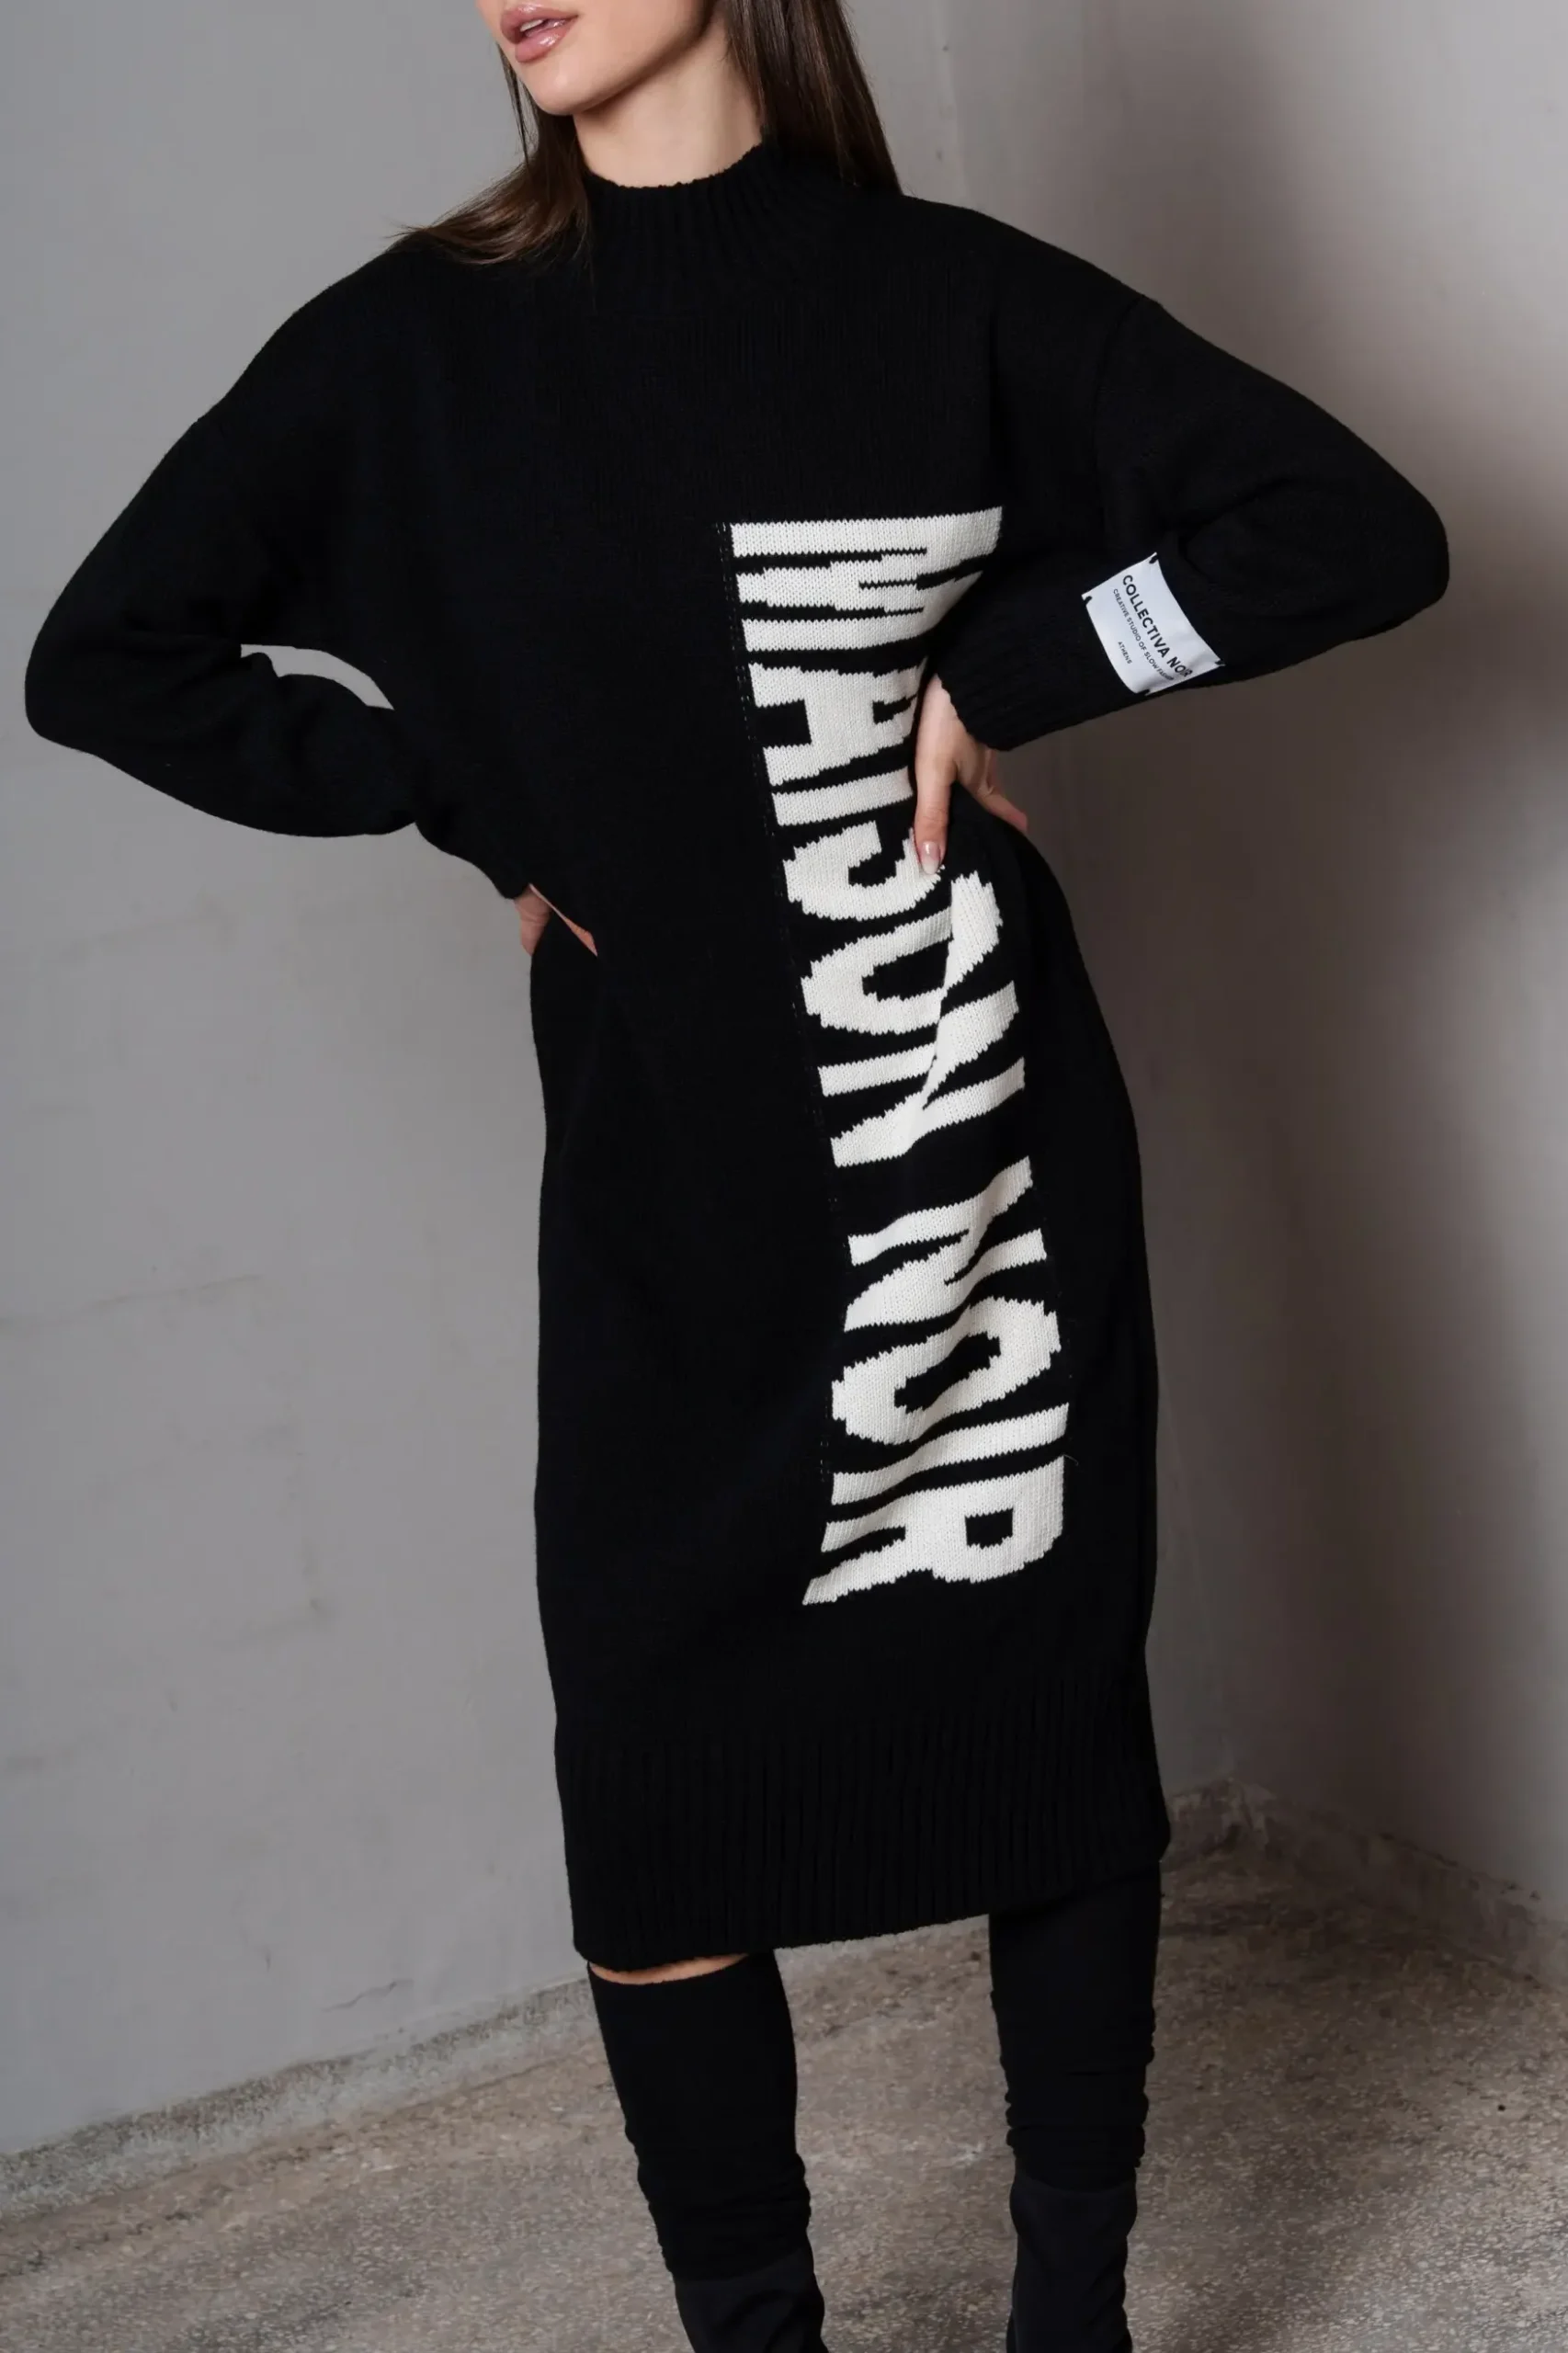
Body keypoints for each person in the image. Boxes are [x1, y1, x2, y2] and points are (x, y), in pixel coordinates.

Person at [23, 2, 1449, 2346]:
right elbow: (109, 653)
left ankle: (1070, 2314)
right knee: (658, 1779)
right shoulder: (414, 346)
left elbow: (1355, 530)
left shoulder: (946, 297)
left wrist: (1019, 667)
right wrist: (447, 789)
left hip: (954, 1124)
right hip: (669, 1173)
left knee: (1037, 1715)